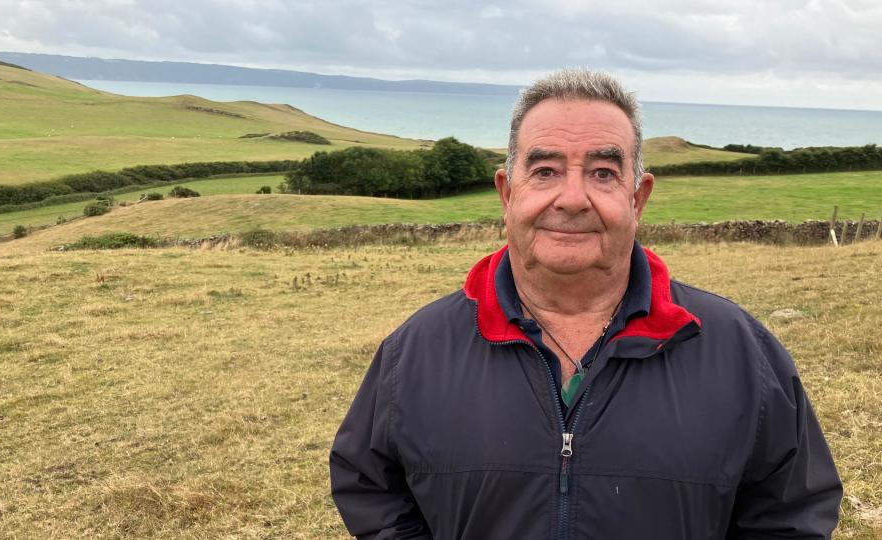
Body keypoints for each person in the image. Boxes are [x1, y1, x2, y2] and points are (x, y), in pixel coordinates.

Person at [329, 69, 842, 539]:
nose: (572, 198)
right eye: (546, 170)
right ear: (507, 193)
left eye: (602, 172)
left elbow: (791, 512)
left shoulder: (740, 352)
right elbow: (370, 486)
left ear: (637, 198)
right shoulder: (415, 352)